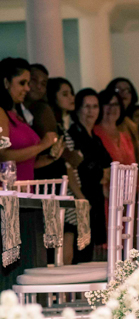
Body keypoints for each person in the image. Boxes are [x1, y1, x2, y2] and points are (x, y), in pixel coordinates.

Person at [68, 89, 111, 263]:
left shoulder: (95, 138)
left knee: (90, 249)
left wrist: (101, 174)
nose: (91, 111)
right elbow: (78, 170)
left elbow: (108, 168)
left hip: (96, 197)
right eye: (87, 107)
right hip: (81, 197)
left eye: (95, 106)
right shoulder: (73, 134)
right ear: (78, 109)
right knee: (81, 251)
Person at [0, 58, 57, 182]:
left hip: (24, 192)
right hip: (9, 195)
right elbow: (2, 155)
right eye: (22, 83)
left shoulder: (15, 114)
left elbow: (24, 162)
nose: (27, 88)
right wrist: (42, 145)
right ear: (6, 82)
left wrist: (49, 157)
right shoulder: (1, 113)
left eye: (28, 83)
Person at [47, 78, 85, 264]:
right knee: (63, 254)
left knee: (67, 253)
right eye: (65, 94)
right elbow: (67, 167)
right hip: (65, 193)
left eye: (71, 93)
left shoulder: (62, 126)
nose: (71, 97)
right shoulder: (54, 128)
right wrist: (79, 196)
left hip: (69, 192)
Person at [105, 77, 139, 165]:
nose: (123, 93)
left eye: (127, 90)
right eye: (118, 89)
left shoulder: (131, 125)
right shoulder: (106, 122)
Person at [94, 87, 136, 165]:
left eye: (116, 104)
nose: (112, 108)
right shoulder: (94, 133)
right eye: (107, 103)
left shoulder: (125, 136)